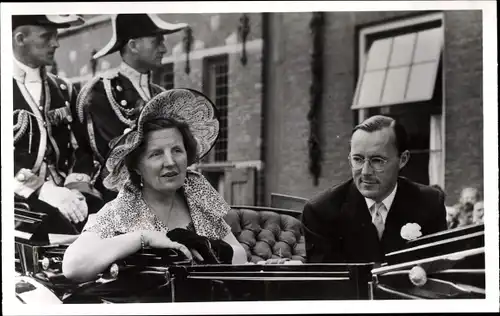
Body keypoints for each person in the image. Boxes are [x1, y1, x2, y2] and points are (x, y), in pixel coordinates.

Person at [63, 89, 248, 283]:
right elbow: (73, 266)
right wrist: (142, 239)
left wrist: (210, 247)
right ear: (137, 166)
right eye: (156, 154)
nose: (170, 162)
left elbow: (240, 256)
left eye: (177, 150)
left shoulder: (197, 196)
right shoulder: (121, 211)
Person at [301, 115, 447, 263]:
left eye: (377, 161)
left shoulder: (430, 203)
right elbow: (327, 284)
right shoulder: (321, 211)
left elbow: (437, 272)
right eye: (357, 159)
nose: (365, 172)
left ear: (403, 159)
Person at [76, 14, 187, 204]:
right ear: (133, 46)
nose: (164, 48)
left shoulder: (160, 94)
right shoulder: (101, 91)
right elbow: (114, 156)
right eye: (156, 42)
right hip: (119, 200)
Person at [12, 15, 102, 230]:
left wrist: (75, 189)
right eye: (46, 36)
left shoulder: (64, 89)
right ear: (20, 38)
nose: (56, 43)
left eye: (56, 36)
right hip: (17, 202)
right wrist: (42, 190)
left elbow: (84, 148)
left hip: (68, 197)